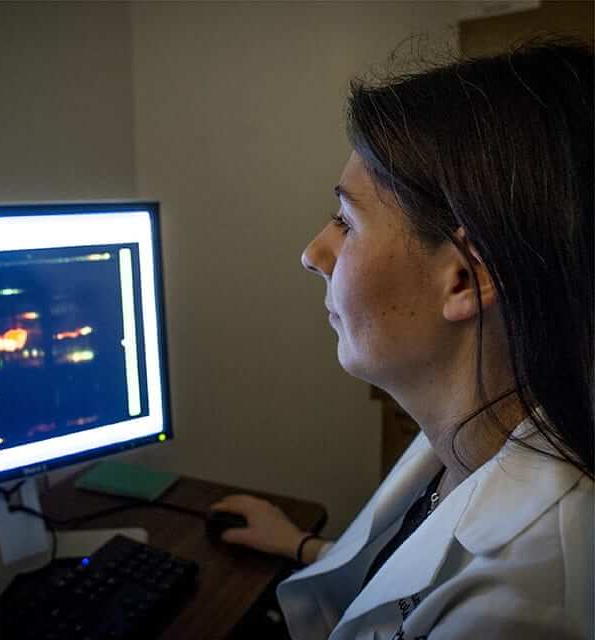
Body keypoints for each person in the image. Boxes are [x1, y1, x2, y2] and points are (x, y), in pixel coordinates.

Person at [210, 35, 593, 640]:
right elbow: (418, 565)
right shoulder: (474, 429)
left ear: (464, 278)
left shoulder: (521, 603)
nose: (313, 253)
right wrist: (302, 545)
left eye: (346, 222)